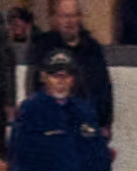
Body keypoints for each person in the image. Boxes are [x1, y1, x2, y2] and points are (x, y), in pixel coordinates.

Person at [8, 48, 110, 171]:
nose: (61, 81)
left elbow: (101, 160)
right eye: (55, 75)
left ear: (74, 79)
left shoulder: (86, 111)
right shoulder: (31, 110)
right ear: (43, 77)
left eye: (66, 75)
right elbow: (19, 157)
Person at [28, 0, 112, 134]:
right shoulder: (44, 47)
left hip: (88, 124)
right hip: (54, 124)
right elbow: (35, 86)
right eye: (64, 16)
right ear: (55, 18)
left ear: (79, 17)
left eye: (73, 16)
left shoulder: (92, 48)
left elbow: (104, 87)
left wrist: (105, 122)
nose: (69, 21)